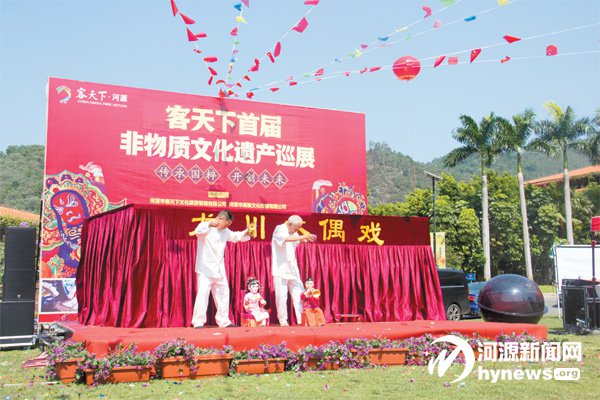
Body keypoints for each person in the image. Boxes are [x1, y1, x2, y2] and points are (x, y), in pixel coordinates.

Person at [192, 210, 254, 328]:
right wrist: (208, 223)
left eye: (228, 225)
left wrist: (247, 231)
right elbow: (198, 231)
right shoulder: (206, 227)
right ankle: (198, 322)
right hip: (205, 268)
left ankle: (223, 321)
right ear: (219, 219)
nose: (226, 226)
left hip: (219, 269)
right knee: (203, 294)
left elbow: (236, 236)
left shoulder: (225, 231)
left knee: (224, 294)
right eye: (226, 224)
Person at [271, 215, 316, 326]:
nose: (297, 230)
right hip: (280, 269)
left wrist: (308, 239)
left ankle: (302, 319)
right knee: (281, 296)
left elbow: (299, 240)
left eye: (298, 228)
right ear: (290, 224)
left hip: (293, 269)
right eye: (296, 228)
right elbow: (285, 239)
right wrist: (302, 237)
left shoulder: (294, 232)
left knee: (299, 293)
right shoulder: (279, 228)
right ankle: (283, 320)